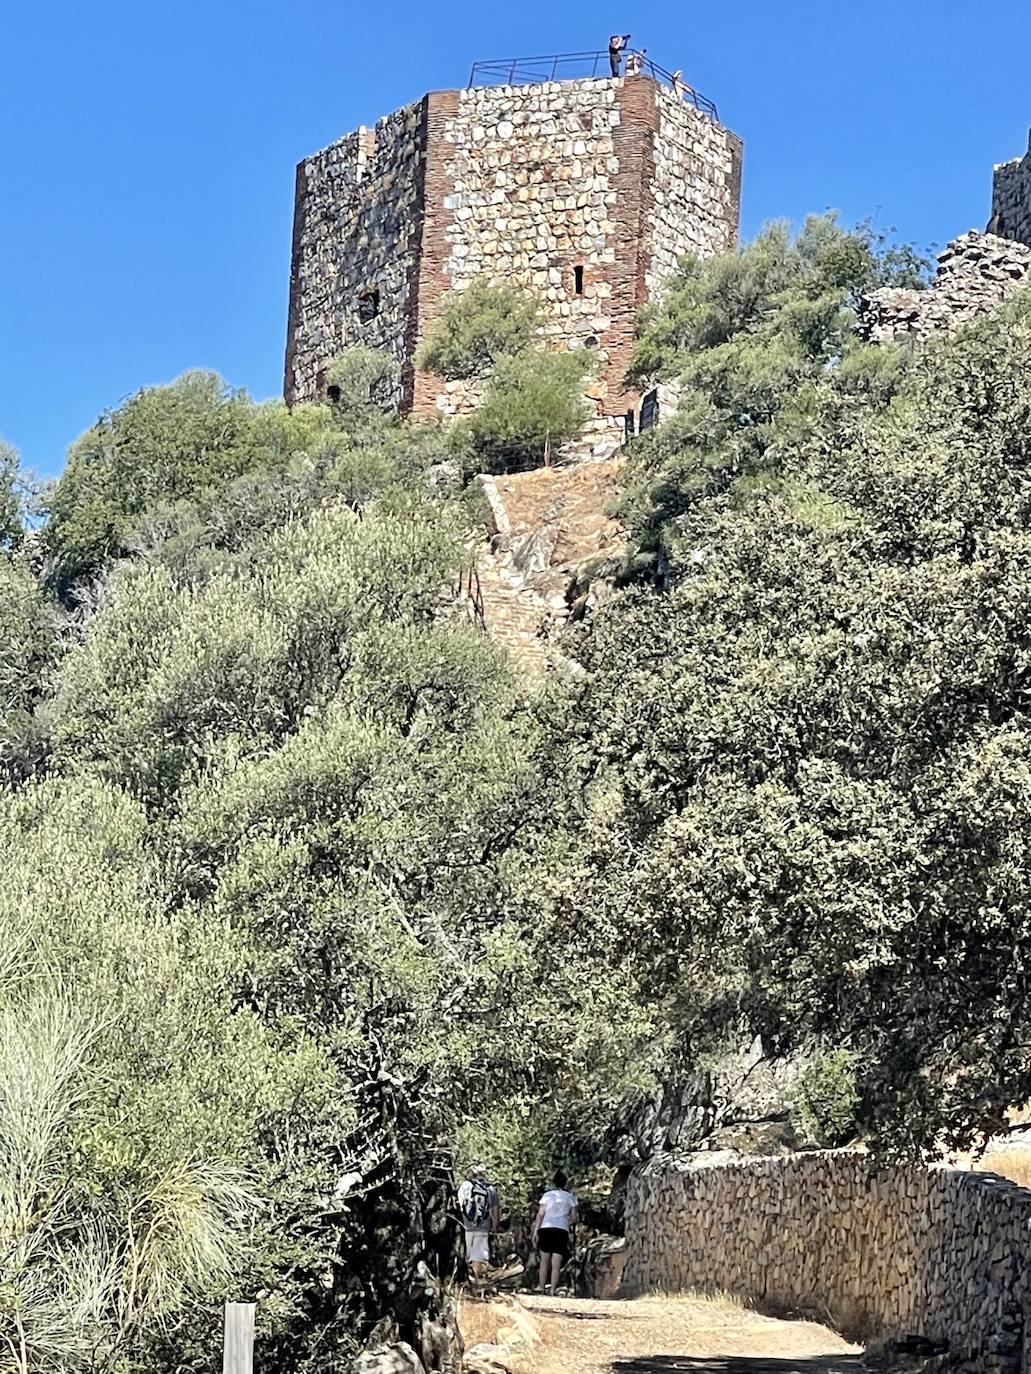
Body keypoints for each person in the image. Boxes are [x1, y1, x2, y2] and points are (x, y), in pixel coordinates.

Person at [531, 1170, 578, 1296]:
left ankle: (541, 1287)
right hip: (561, 1229)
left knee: (544, 1260)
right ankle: (552, 1290)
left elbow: (540, 1214)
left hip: (546, 1228)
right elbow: (574, 1218)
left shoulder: (547, 1196)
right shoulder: (570, 1197)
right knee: (556, 1262)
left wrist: (536, 1231)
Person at [458, 1163, 500, 1292]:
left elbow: (459, 1203)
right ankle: (475, 1281)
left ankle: (463, 1281)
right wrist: (494, 1226)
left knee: (465, 1252)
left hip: (466, 1224)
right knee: (478, 1255)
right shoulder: (490, 1189)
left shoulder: (465, 1185)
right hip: (483, 1225)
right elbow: (495, 1210)